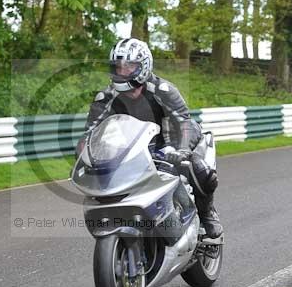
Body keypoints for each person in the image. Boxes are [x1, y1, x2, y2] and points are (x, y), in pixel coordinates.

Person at [82, 37, 223, 239]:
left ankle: (207, 213)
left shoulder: (162, 90)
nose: (122, 72)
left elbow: (184, 122)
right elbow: (90, 135)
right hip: (130, 155)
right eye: (118, 67)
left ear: (144, 66)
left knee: (198, 169)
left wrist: (181, 150)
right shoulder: (105, 97)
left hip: (168, 149)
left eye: (129, 66)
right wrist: (84, 159)